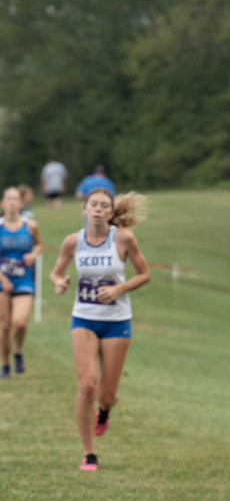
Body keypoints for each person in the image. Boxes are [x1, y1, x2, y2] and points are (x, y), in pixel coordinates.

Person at [49, 188, 150, 471]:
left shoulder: (124, 239)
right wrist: (58, 282)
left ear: (111, 212)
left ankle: (104, 410)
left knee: (106, 394)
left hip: (117, 321)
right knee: (87, 386)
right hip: (83, 318)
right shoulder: (73, 241)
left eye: (104, 205)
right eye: (93, 204)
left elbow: (144, 274)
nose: (97, 209)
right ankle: (88, 453)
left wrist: (118, 288)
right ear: (84, 208)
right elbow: (56, 272)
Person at [0, 186, 45, 378]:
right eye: (8, 198)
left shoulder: (30, 225)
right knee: (5, 325)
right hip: (2, 280)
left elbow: (39, 244)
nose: (12, 202)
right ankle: (5, 364)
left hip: (24, 279)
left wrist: (33, 255)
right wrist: (3, 279)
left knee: (20, 322)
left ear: (20, 203)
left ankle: (18, 351)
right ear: (3, 202)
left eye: (15, 199)